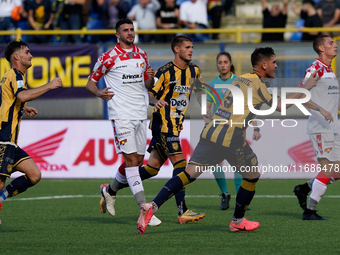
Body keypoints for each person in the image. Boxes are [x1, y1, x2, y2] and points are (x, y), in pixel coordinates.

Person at [136, 47, 328, 235]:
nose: (276, 66)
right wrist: (304, 90)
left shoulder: (242, 79)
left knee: (189, 173)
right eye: (274, 62)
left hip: (211, 131)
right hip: (230, 137)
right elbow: (280, 106)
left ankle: (151, 206)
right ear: (263, 65)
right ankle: (237, 221)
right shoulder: (258, 84)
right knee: (252, 175)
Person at [105, 35, 206, 224]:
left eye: (192, 47)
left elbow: (200, 92)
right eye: (187, 47)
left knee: (151, 169)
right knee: (180, 164)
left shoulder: (195, 70)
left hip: (176, 126)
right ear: (177, 49)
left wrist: (207, 111)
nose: (191, 50)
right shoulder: (165, 71)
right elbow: (149, 93)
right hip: (163, 125)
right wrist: (155, 101)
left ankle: (110, 190)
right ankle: (182, 211)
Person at [86, 19, 161, 226]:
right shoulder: (108, 57)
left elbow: (146, 84)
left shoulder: (141, 54)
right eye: (126, 30)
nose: (130, 33)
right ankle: (144, 209)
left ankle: (109, 191)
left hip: (140, 113)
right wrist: (100, 92)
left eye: (132, 30)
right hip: (121, 114)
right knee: (130, 162)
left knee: (137, 162)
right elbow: (90, 83)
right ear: (117, 35)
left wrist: (150, 79)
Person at [0, 40, 62, 225]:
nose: (31, 55)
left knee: (34, 175)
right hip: (4, 137)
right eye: (27, 52)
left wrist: (23, 108)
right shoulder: (16, 74)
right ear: (17, 57)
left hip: (10, 139)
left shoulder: (11, 75)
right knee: (0, 180)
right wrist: (49, 86)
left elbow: (12, 99)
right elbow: (21, 95)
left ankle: (1, 198)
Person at [203, 51, 262, 210]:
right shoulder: (212, 84)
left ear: (230, 64)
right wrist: (207, 123)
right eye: (220, 62)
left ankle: (240, 199)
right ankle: (224, 193)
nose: (222, 65)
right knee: (215, 163)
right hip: (217, 129)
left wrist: (256, 127)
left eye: (225, 62)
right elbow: (207, 109)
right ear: (217, 64)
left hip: (236, 129)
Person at [293, 34, 339, 220]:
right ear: (321, 48)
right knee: (327, 169)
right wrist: (321, 110)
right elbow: (301, 94)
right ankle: (310, 210)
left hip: (333, 127)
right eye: (331, 43)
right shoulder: (315, 68)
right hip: (320, 127)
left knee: (336, 171)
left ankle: (304, 188)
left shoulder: (329, 70)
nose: (335, 45)